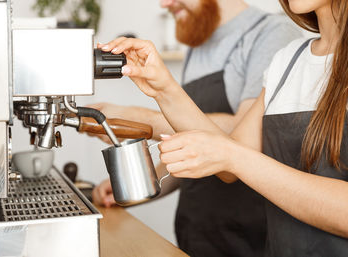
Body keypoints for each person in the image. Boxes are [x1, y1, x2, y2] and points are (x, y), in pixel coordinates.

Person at [98, 0, 348, 255]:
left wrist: (233, 156)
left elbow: (234, 156)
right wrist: (163, 88)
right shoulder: (288, 61)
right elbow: (231, 163)